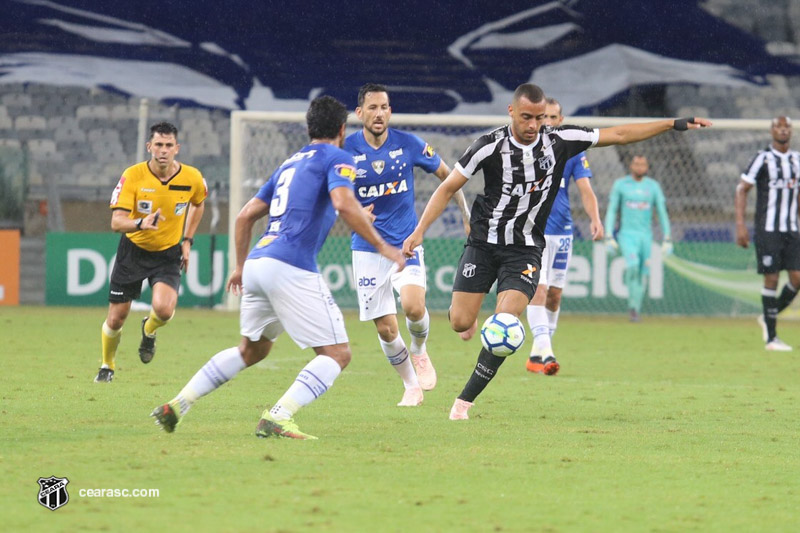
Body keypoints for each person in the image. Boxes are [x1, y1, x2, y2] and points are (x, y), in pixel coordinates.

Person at [403, 83, 711, 420]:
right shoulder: (488, 146)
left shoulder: (561, 140)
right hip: (483, 244)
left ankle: (463, 403)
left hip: (525, 250)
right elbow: (448, 187)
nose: (533, 125)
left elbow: (620, 134)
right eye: (526, 117)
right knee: (460, 321)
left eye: (538, 118)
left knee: (507, 324)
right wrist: (420, 231)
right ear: (510, 112)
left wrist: (671, 123)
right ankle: (476, 314)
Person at [151, 95, 405, 440]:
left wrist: (239, 267)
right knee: (337, 354)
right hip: (291, 265)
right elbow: (343, 202)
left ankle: (178, 404)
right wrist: (381, 245)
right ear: (343, 129)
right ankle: (279, 415)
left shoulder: (289, 163)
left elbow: (244, 217)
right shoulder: (339, 156)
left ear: (308, 128)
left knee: (251, 349)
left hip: (258, 261)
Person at [344, 83, 471, 406]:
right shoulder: (345, 151)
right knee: (386, 329)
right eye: (372, 107)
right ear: (359, 113)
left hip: (405, 244)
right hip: (367, 249)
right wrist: (356, 213)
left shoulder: (409, 145)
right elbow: (331, 197)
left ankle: (419, 350)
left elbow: (450, 176)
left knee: (414, 307)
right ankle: (411, 386)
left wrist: (467, 215)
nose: (379, 113)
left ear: (390, 111)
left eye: (384, 107)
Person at [95, 122, 206, 383]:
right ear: (149, 147)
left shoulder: (191, 177)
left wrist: (188, 240)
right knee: (116, 318)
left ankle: (149, 329)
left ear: (177, 148)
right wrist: (140, 223)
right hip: (133, 251)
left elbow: (199, 204)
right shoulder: (133, 176)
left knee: (164, 310)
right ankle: (107, 366)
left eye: (169, 145)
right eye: (158, 145)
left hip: (167, 253)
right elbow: (116, 223)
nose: (163, 150)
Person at [524, 97, 603, 375]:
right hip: (534, 232)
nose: (547, 123)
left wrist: (595, 218)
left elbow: (585, 189)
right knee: (539, 289)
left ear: (561, 120)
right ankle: (547, 353)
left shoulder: (572, 152)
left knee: (554, 295)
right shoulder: (526, 148)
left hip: (563, 231)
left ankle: (538, 353)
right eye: (542, 117)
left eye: (553, 118)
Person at [735, 116, 800, 351]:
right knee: (771, 278)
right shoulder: (762, 159)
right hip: (768, 229)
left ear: (790, 131)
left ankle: (767, 316)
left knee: (797, 279)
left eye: (786, 127)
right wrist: (740, 225)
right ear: (772, 131)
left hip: (792, 228)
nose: (783, 131)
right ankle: (772, 338)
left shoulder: (797, 159)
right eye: (778, 127)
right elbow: (742, 189)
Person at [604, 155, 672, 323]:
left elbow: (662, 212)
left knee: (642, 273)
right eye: (636, 164)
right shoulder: (621, 185)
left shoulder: (653, 187)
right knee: (633, 266)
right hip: (627, 235)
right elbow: (612, 210)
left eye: (643, 164)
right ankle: (632, 306)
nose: (639, 167)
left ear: (647, 167)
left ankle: (635, 309)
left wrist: (668, 238)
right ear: (631, 166)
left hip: (645, 237)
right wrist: (608, 235)